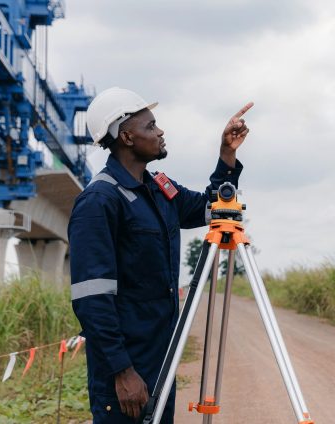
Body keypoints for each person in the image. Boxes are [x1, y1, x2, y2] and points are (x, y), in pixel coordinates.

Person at [68, 87, 253, 423]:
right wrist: (122, 372)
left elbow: (212, 209)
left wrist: (226, 155)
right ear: (126, 137)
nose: (160, 131)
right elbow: (91, 299)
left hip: (162, 358)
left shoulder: (160, 190)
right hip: (126, 369)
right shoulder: (99, 201)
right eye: (150, 126)